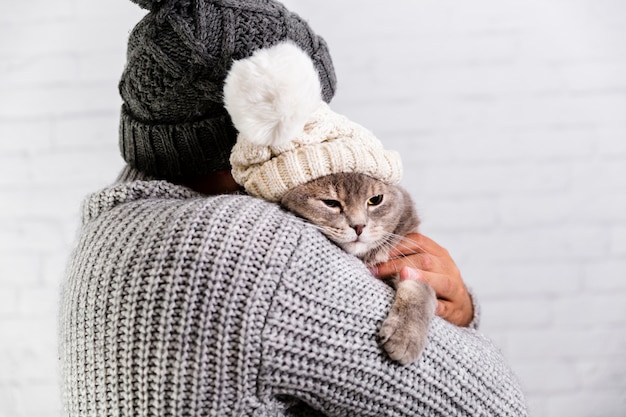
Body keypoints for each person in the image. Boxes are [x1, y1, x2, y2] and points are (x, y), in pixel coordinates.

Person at [58, 0, 528, 416]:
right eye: (312, 116)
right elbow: (494, 404)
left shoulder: (107, 227)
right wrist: (461, 315)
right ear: (265, 123)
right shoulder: (252, 247)